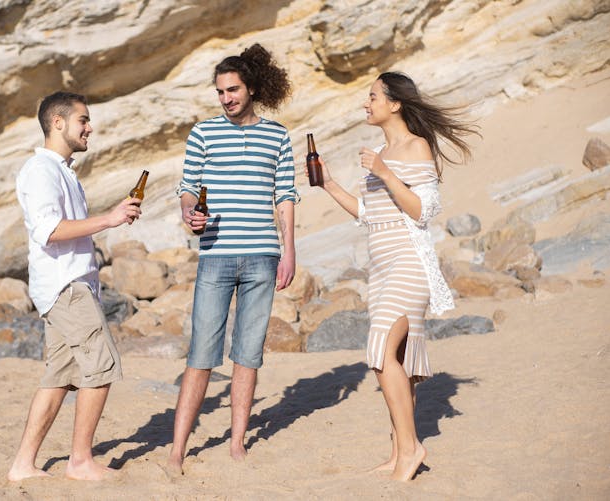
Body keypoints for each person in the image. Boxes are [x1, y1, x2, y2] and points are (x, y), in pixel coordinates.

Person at [311, 72, 478, 481]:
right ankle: (397, 451)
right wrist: (329, 183)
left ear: (395, 103)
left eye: (372, 97)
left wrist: (385, 172)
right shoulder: (384, 151)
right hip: (380, 267)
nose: (366, 104)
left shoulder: (415, 147)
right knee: (396, 360)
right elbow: (371, 215)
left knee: (381, 352)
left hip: (408, 263)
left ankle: (411, 448)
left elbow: (423, 210)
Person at [167, 43, 300, 474]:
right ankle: (177, 449)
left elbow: (285, 196)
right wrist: (190, 213)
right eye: (221, 91)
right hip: (215, 255)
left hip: (263, 254)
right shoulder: (203, 133)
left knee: (248, 353)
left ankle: (237, 442)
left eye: (234, 90)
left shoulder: (278, 135)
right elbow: (188, 187)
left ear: (251, 88)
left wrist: (290, 250)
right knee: (201, 354)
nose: (226, 98)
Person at [8, 91, 142, 481]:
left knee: (59, 378)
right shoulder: (41, 171)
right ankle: (80, 461)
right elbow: (50, 231)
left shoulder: (62, 172)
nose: (90, 127)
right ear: (58, 123)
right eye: (83, 120)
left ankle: (22, 465)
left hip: (68, 285)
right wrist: (110, 219)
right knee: (101, 367)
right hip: (65, 287)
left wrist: (109, 218)